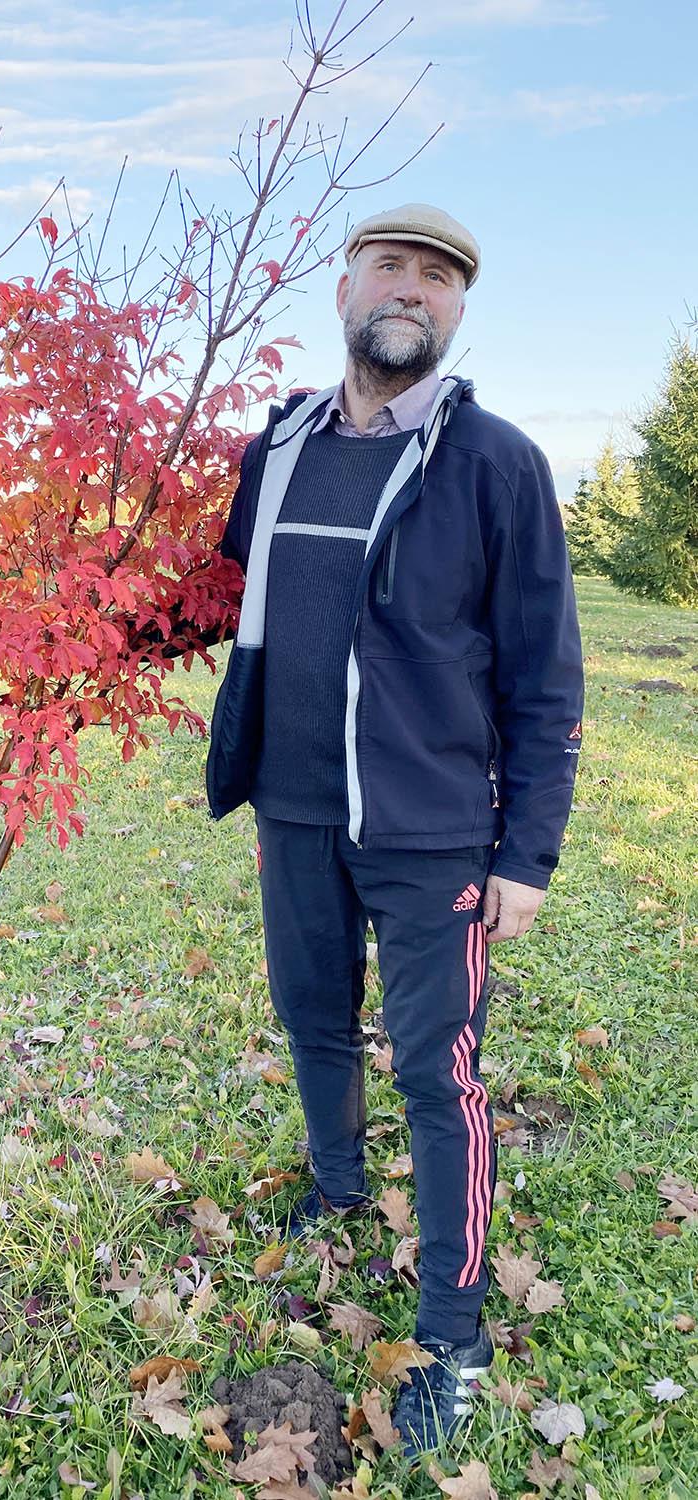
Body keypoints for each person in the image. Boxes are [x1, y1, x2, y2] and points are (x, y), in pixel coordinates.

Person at [205, 203, 584, 1458]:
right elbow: (226, 589)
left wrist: (526, 852)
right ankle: (335, 1184)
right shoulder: (283, 448)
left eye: (439, 279)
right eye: (391, 269)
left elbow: (546, 673)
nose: (411, 292)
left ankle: (453, 1331)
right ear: (345, 289)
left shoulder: (496, 464)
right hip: (296, 806)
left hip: (431, 835)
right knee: (312, 1019)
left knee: (439, 1073)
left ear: (460, 310)